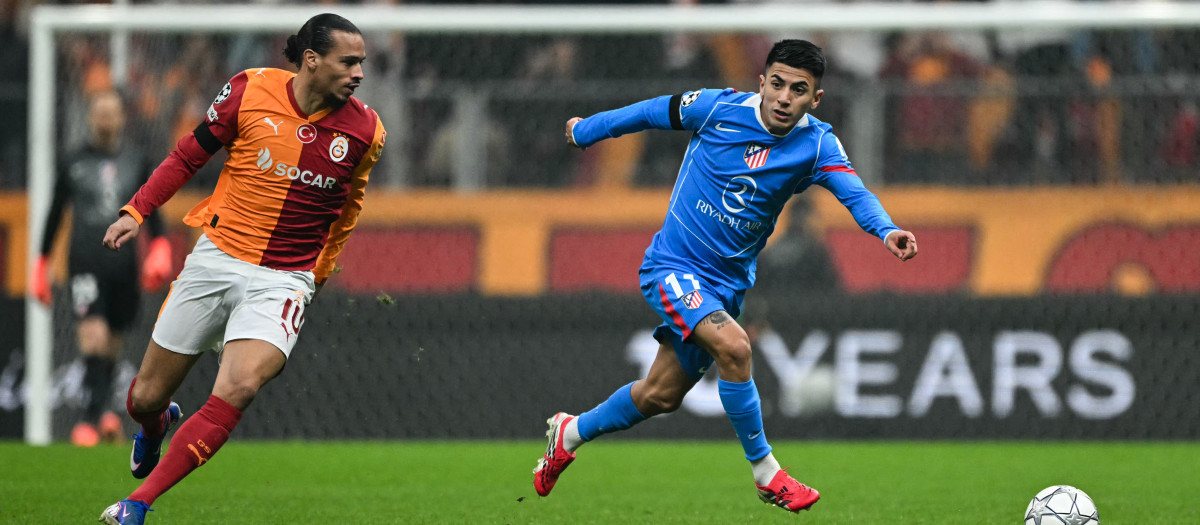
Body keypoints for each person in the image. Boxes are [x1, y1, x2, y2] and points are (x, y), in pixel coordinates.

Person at [533, 39, 918, 513]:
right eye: (776, 84)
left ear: (814, 99)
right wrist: (587, 129)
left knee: (659, 395)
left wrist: (887, 229)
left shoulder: (817, 144)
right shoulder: (716, 108)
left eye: (798, 90)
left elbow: (854, 192)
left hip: (725, 287)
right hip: (672, 268)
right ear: (762, 82)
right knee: (736, 347)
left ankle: (568, 433)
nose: (783, 98)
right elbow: (654, 111)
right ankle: (766, 474)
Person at [98, 13, 385, 525]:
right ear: (312, 60)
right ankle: (157, 421)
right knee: (143, 397)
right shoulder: (249, 90)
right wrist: (136, 210)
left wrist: (318, 273)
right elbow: (189, 156)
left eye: (361, 62)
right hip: (217, 258)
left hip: (284, 279)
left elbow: (349, 208)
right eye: (349, 61)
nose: (359, 72)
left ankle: (137, 504)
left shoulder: (366, 130)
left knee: (240, 387)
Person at [32, 90, 173, 447]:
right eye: (100, 113)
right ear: (91, 118)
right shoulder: (73, 161)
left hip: (125, 267)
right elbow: (54, 211)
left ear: (122, 119)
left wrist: (159, 246)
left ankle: (104, 415)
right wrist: (41, 261)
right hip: (84, 263)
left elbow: (152, 206)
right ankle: (88, 421)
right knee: (92, 337)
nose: (106, 120)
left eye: (112, 113)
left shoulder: (137, 160)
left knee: (111, 344)